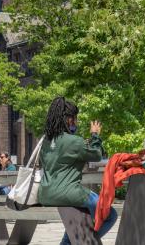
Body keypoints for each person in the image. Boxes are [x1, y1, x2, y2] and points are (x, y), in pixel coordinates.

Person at [38, 97, 117, 245]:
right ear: (67, 119)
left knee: (77, 220)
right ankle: (85, 241)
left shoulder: (46, 141)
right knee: (110, 214)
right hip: (69, 193)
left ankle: (73, 241)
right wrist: (95, 135)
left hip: (45, 193)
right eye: (74, 118)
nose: (76, 122)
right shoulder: (74, 141)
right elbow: (96, 154)